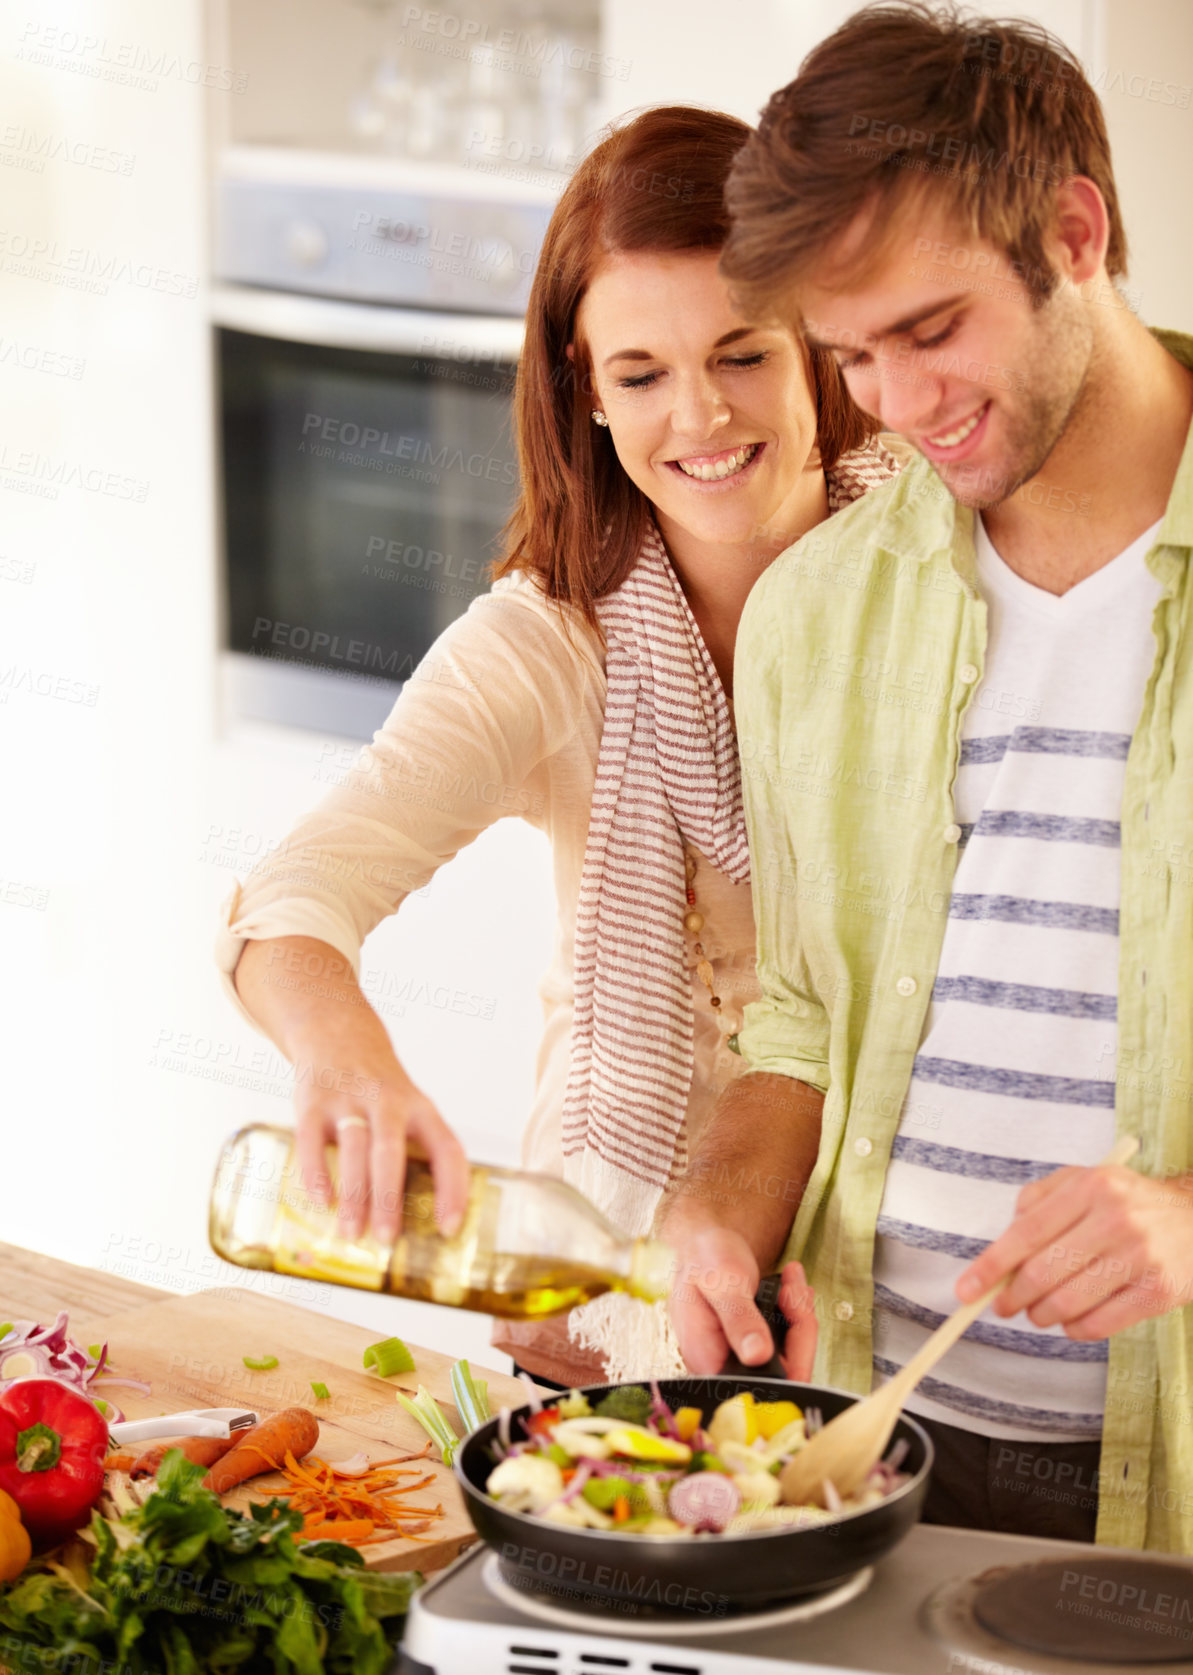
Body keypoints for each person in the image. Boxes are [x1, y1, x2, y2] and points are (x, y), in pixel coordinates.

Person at [215, 105, 900, 1390]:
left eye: (741, 353)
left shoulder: (935, 576)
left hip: (894, 1270)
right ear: (584, 389)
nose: (698, 416)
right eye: (639, 373)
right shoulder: (549, 644)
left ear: (815, 337)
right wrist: (350, 1062)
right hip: (609, 1288)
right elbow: (293, 898)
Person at [662, 3, 1193, 1553]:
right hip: (867, 1460)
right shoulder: (817, 611)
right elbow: (802, 1019)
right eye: (850, 356)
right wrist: (721, 1203)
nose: (894, 406)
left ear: (1073, 231)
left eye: (932, 329)